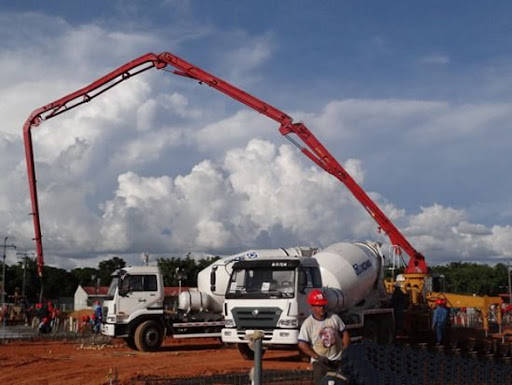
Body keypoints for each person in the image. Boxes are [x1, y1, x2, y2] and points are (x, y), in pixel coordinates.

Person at [298, 289, 350, 385]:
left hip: (337, 360)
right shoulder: (308, 323)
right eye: (318, 306)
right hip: (320, 363)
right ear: (312, 307)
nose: (321, 308)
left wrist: (344, 351)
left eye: (322, 305)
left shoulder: (334, 318)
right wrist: (316, 356)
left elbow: (345, 333)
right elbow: (302, 343)